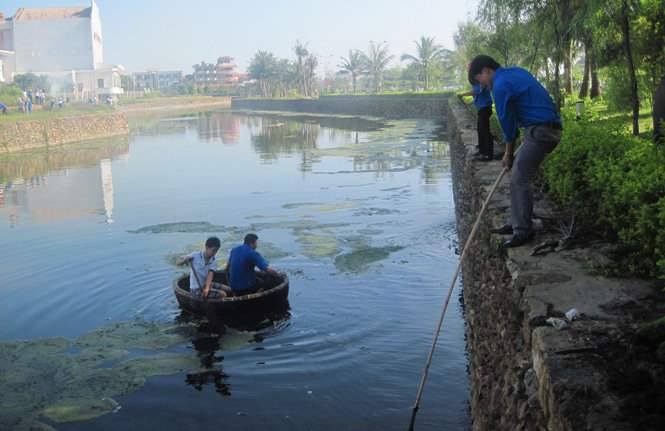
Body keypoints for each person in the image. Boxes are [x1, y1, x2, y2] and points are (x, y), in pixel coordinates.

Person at [469, 55, 563, 248]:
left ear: (486, 71)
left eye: (480, 81)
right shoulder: (515, 72)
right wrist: (528, 129)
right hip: (543, 127)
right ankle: (515, 222)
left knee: (520, 178)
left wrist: (508, 153)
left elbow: (508, 123)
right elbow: (531, 102)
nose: (483, 86)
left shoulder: (500, 86)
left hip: (543, 131)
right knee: (518, 176)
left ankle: (523, 232)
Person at [457, 65, 494, 161]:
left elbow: (476, 92)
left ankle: (489, 155)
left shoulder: (481, 82)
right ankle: (482, 150)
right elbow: (477, 97)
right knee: (480, 130)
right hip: (481, 109)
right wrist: (468, 103)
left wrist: (463, 94)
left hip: (485, 109)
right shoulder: (477, 82)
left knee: (486, 132)